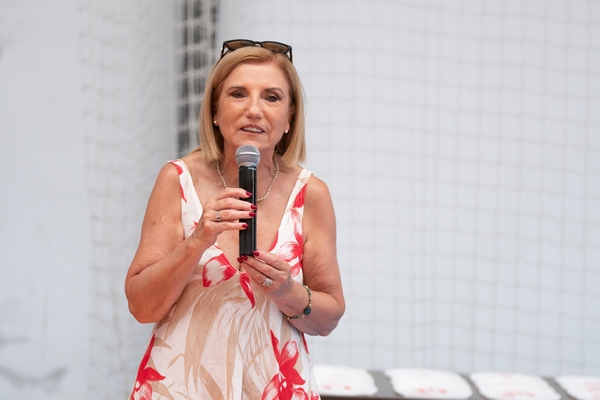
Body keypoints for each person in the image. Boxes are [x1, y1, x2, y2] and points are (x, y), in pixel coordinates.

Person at [125, 39, 345, 399]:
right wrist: (197, 240)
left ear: (290, 118)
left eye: (271, 97)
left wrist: (288, 291)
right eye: (238, 94)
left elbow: (328, 318)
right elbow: (141, 306)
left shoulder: (312, 194)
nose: (254, 110)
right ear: (215, 110)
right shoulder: (177, 180)